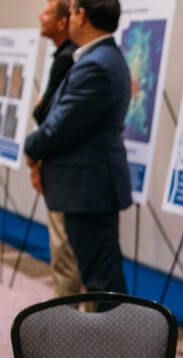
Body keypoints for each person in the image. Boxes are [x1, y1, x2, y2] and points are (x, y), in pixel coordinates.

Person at [24, 0, 131, 306]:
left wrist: (31, 147)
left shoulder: (97, 64)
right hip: (88, 189)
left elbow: (60, 125)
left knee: (102, 285)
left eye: (69, 12)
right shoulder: (98, 58)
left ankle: (114, 352)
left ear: (81, 16)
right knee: (98, 278)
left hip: (89, 191)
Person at [32, 0, 82, 299]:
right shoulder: (70, 57)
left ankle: (63, 334)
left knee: (65, 256)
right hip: (67, 170)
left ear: (65, 21)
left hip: (67, 172)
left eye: (48, 11)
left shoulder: (70, 59)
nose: (40, 15)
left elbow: (46, 114)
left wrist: (32, 153)